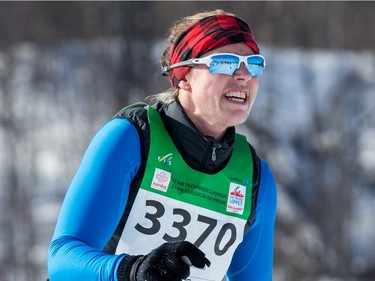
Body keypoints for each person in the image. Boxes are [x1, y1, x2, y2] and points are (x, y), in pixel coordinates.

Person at [47, 9, 277, 281]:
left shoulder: (255, 179)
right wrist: (134, 270)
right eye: (225, 62)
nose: (243, 75)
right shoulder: (131, 139)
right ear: (183, 76)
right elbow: (62, 260)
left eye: (254, 64)